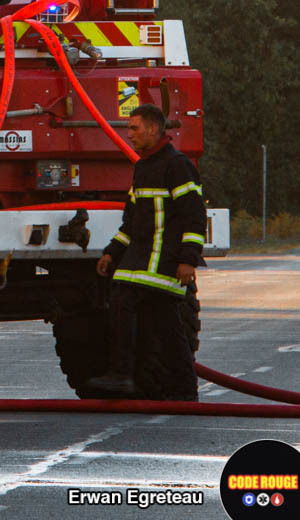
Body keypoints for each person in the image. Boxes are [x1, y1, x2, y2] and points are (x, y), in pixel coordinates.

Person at [86, 104, 205, 399]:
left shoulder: (177, 165)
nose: (129, 135)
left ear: (153, 129)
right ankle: (185, 391)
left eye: (135, 128)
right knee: (167, 325)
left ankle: (121, 374)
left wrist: (188, 259)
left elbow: (194, 215)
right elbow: (133, 220)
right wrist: (111, 252)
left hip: (164, 261)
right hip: (143, 258)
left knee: (123, 296)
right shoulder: (142, 167)